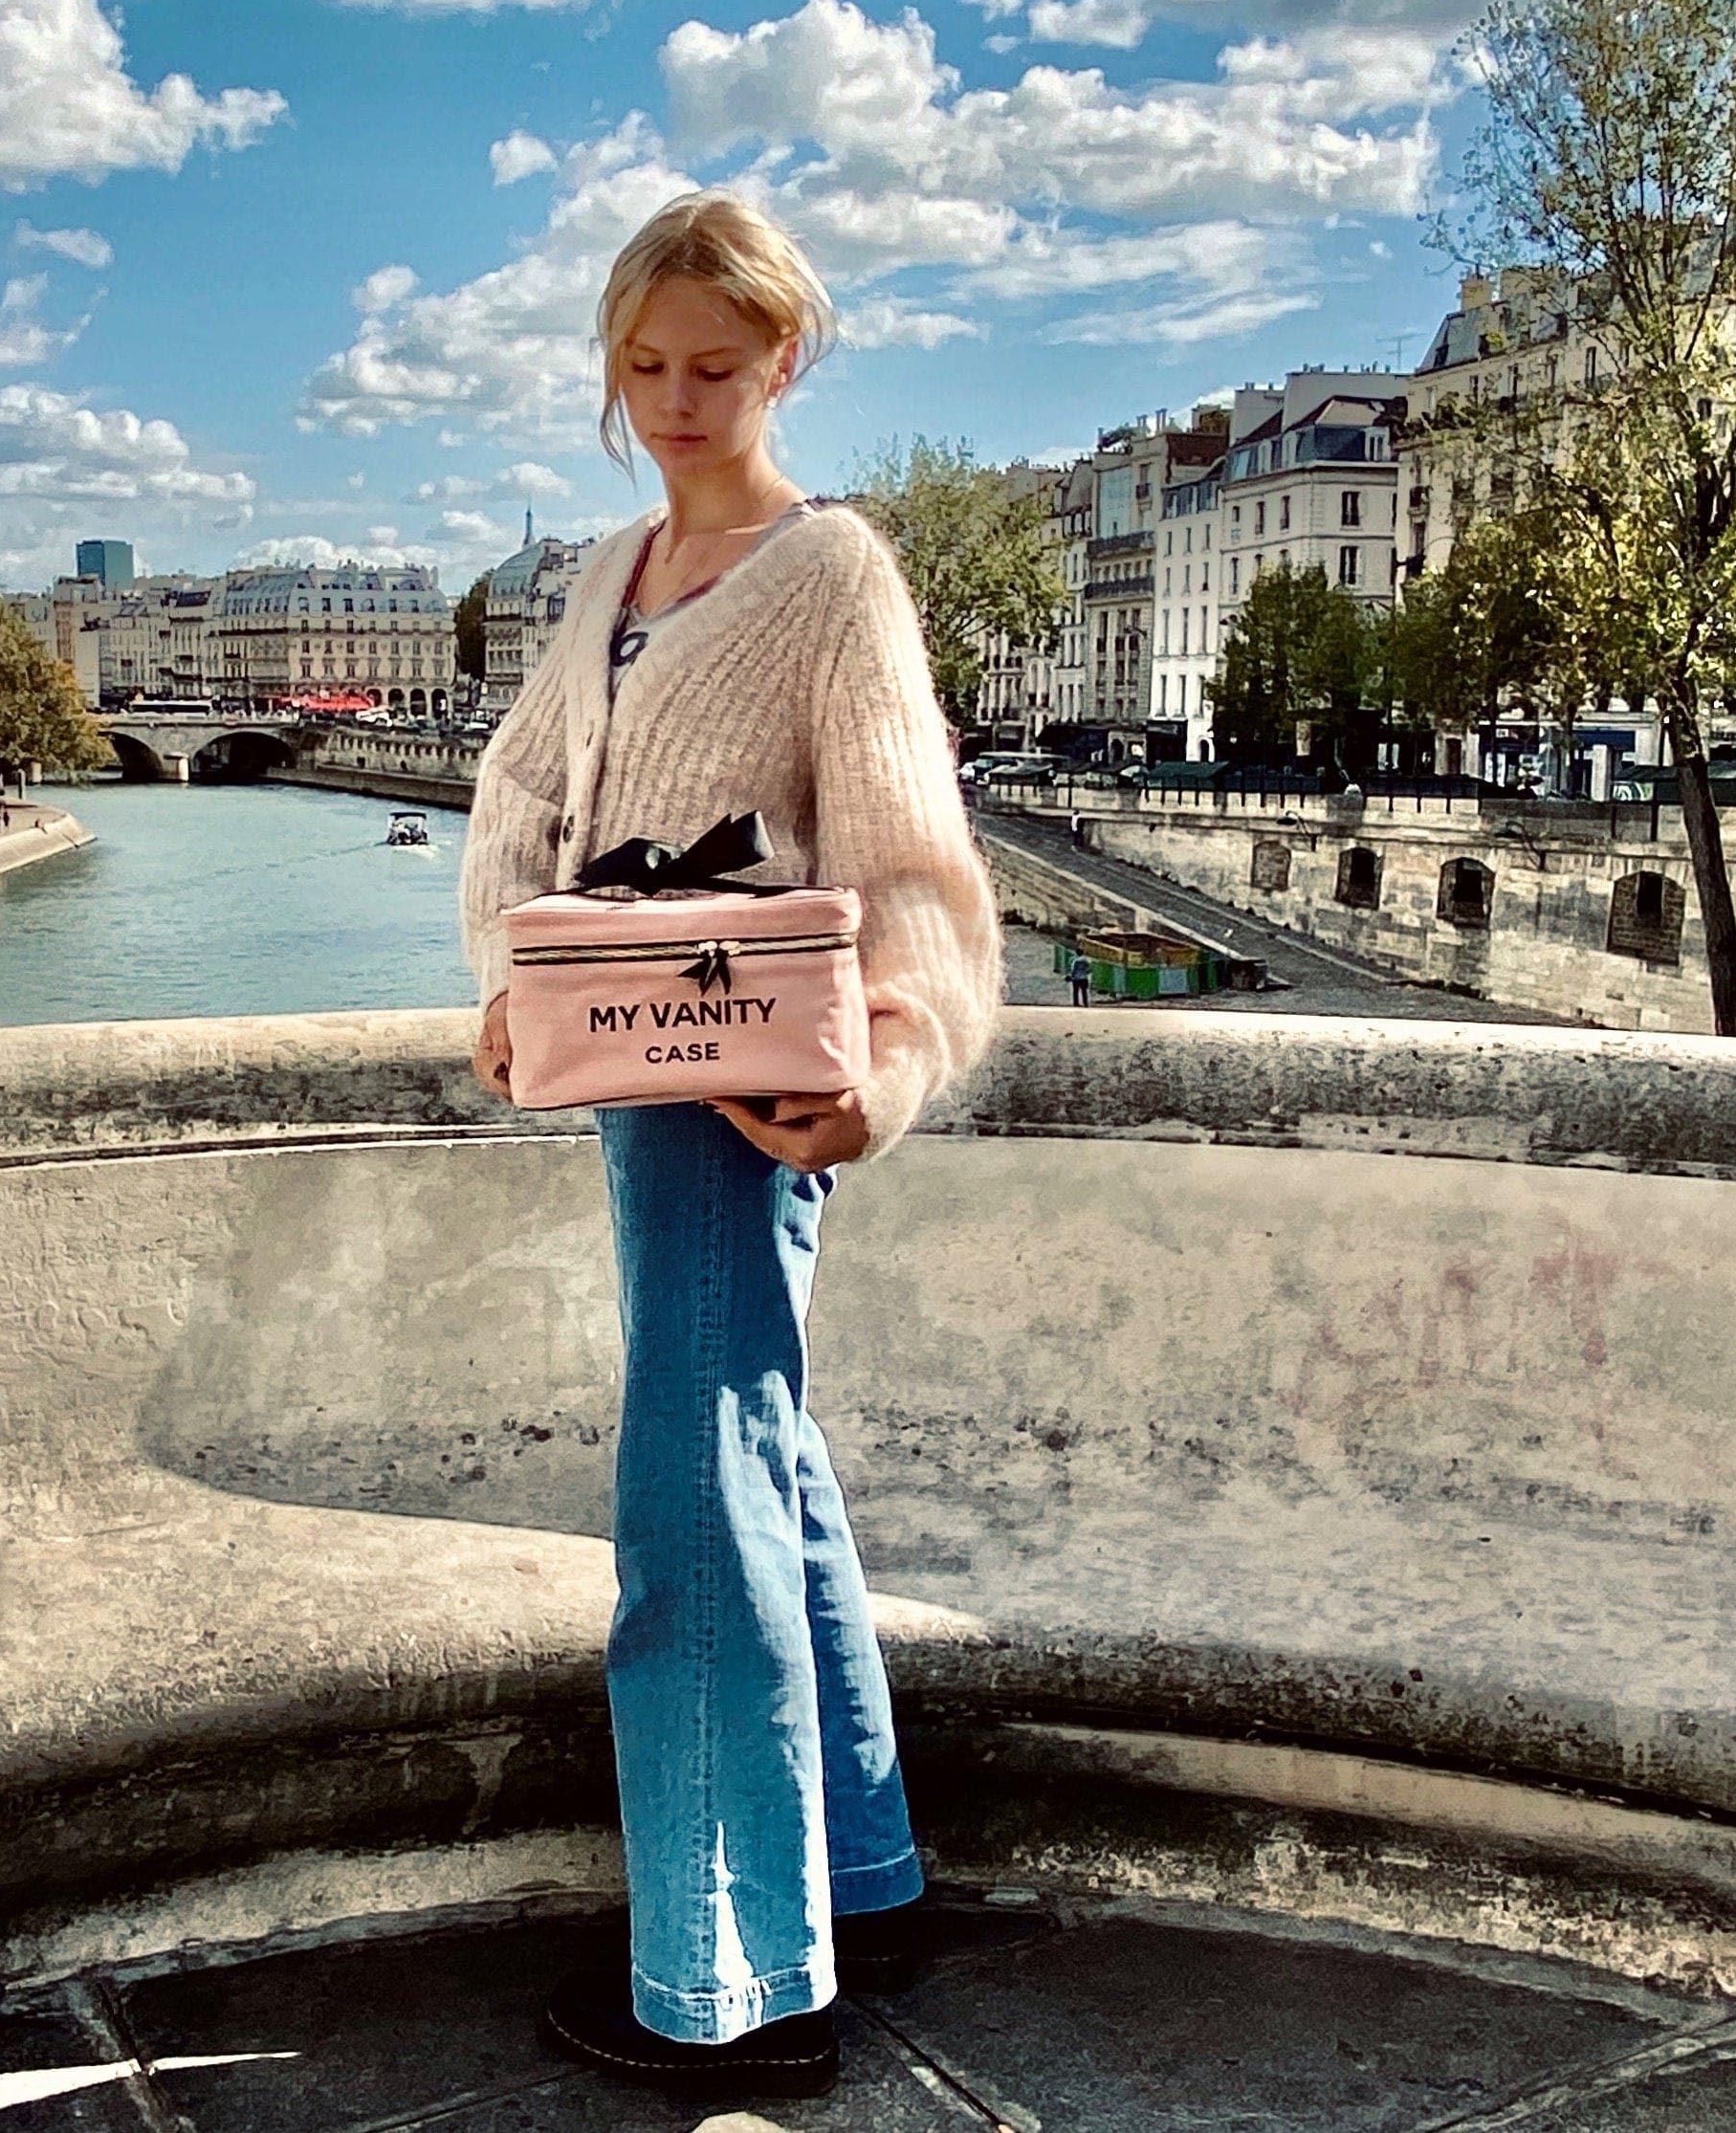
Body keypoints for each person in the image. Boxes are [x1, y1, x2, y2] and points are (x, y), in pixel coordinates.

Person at [461, 192, 1002, 2105]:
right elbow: (517, 795)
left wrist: (890, 1060)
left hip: (744, 1083)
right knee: (755, 1441)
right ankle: (854, 1863)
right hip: (626, 1058)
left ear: (786, 359)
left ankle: (731, 1973)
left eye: (715, 363)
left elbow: (909, 853)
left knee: (688, 1508)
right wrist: (510, 980)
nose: (677, 398)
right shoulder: (610, 564)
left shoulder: (829, 572)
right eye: (644, 365)